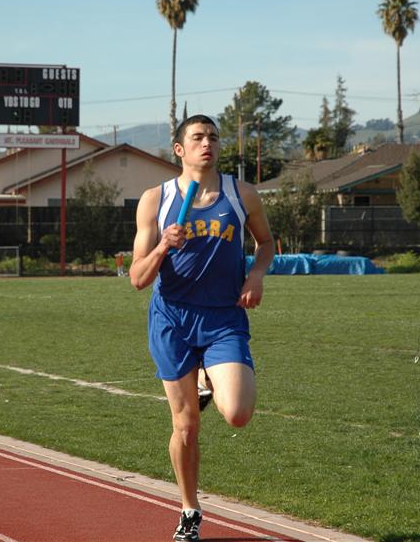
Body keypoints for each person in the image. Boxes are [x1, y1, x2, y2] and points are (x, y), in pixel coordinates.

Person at [129, 114, 274, 542]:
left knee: (238, 413)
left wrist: (256, 275)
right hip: (172, 320)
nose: (207, 143)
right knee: (186, 425)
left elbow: (266, 243)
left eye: (213, 137)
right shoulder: (155, 200)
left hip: (223, 318)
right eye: (197, 137)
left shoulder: (241, 193)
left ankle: (208, 378)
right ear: (180, 149)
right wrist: (163, 244)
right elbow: (137, 278)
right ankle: (189, 510)